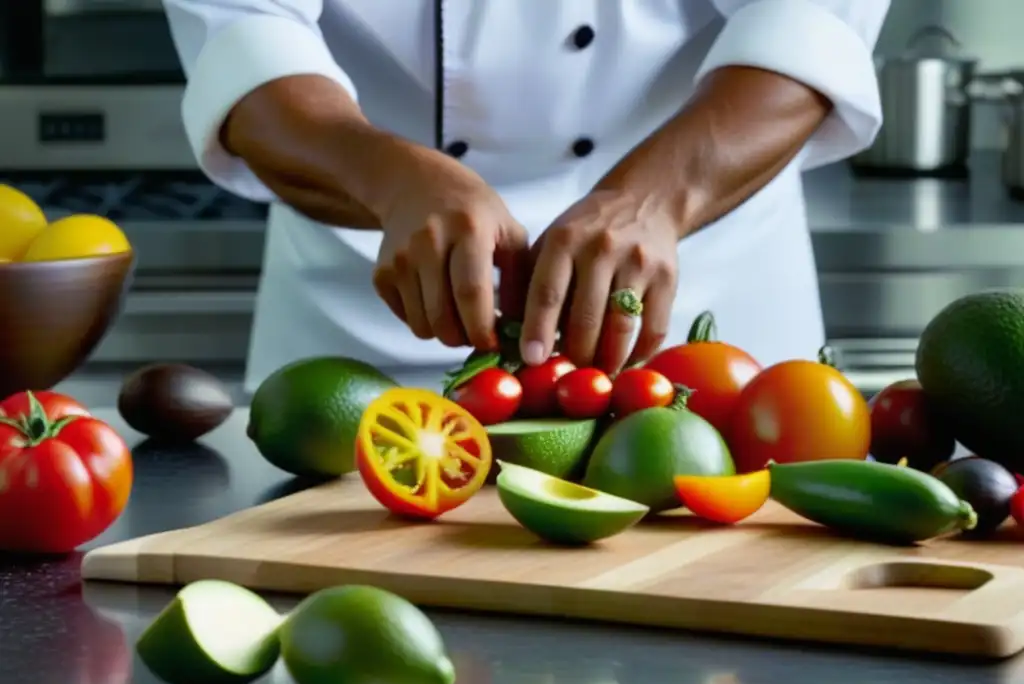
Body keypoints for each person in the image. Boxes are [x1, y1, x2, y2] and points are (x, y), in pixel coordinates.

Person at [162, 0, 890, 393]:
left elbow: (812, 26)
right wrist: (390, 178)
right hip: (366, 338)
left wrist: (656, 201)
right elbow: (247, 44)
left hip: (700, 331)